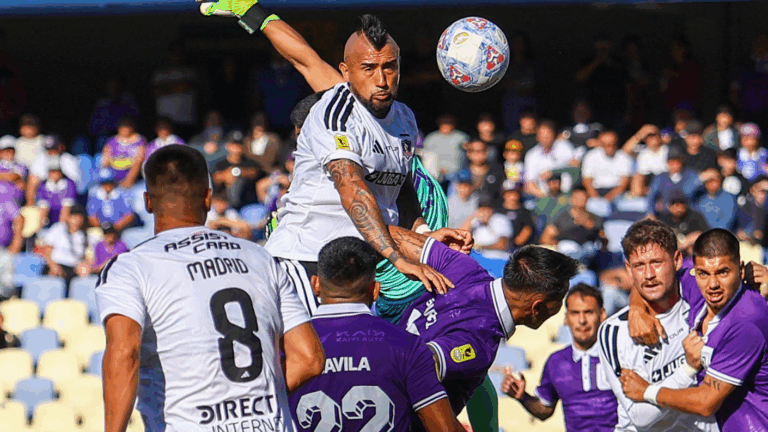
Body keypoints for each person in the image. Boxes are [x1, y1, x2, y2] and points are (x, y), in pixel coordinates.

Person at [95, 145, 325, 432]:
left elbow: (124, 352)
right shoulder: (260, 257)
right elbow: (310, 359)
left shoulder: (130, 266)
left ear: (148, 202)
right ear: (207, 198)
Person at [256, 14, 451, 314]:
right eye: (369, 68)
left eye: (390, 66)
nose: (382, 79)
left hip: (355, 267)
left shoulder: (404, 118)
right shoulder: (335, 114)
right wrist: (401, 259)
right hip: (303, 260)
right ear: (346, 72)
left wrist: (423, 235)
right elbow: (352, 190)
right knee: (305, 359)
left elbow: (401, 186)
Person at [394, 228, 579, 415]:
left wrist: (416, 245)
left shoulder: (464, 266)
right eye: (560, 299)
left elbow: (389, 234)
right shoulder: (480, 341)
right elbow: (416, 364)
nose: (559, 308)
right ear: (536, 307)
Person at [289, 237, 464, 432]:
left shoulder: (286, 348)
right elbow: (444, 429)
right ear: (375, 290)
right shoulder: (408, 345)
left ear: (315, 284)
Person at [619, 229, 768, 431]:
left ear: (740, 270)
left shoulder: (746, 321)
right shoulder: (698, 285)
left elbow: (706, 402)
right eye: (703, 273)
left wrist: (646, 391)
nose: (713, 284)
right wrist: (636, 308)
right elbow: (653, 278)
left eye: (723, 272)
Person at [597, 219, 719, 431]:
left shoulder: (701, 306)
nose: (649, 274)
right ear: (628, 268)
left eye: (656, 262)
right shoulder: (614, 331)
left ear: (677, 260)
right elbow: (640, 417)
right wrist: (688, 368)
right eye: (639, 266)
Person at [501, 284, 618, 431]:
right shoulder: (556, 362)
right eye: (575, 313)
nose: (582, 320)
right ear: (566, 318)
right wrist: (522, 396)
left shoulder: (620, 355)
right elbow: (545, 410)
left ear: (602, 315)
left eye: (588, 312)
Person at [540, 185, 604, 266]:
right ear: (571, 199)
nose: (581, 200)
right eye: (578, 198)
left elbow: (603, 240)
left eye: (583, 198)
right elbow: (545, 238)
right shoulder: (561, 218)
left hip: (589, 253)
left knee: (590, 248)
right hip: (568, 252)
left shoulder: (595, 218)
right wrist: (560, 243)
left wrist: (590, 226)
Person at [39, 204, 96, 288]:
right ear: (69, 217)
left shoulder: (86, 236)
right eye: (74, 217)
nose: (77, 220)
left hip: (74, 268)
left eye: (79, 217)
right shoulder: (58, 229)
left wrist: (85, 265)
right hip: (57, 264)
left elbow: (90, 256)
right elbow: (46, 251)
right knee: (52, 277)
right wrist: (53, 266)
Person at [211, 130, 262, 209]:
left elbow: (254, 173)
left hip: (248, 206)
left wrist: (236, 172)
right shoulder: (220, 164)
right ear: (228, 146)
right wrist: (226, 175)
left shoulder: (251, 163)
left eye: (239, 145)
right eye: (233, 144)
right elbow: (216, 178)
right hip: (224, 205)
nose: (236, 148)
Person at [524, 120, 575, 198]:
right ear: (537, 137)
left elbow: (575, 167)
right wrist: (547, 198)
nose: (546, 137)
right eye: (542, 134)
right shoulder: (531, 155)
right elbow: (529, 185)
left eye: (548, 133)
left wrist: (554, 172)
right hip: (543, 197)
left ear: (554, 134)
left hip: (567, 195)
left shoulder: (564, 147)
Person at [27, 134, 80, 205]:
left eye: (54, 149)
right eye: (49, 149)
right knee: (34, 180)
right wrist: (49, 177)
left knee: (69, 184)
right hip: (46, 193)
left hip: (64, 194)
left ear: (61, 147)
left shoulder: (68, 159)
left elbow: (75, 183)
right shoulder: (41, 158)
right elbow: (33, 180)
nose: (51, 152)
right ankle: (31, 206)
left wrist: (59, 176)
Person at [647, 146, 702, 214]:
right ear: (667, 163)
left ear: (681, 161)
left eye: (677, 162)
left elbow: (688, 192)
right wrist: (651, 213)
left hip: (688, 214)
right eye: (671, 162)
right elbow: (651, 196)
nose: (674, 165)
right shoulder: (660, 177)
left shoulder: (691, 174)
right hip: (666, 213)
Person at [581, 130, 633, 202]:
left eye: (612, 144)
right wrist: (596, 199)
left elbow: (624, 183)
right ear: (600, 144)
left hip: (617, 194)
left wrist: (607, 199)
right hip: (596, 192)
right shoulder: (590, 156)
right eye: (605, 144)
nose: (610, 147)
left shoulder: (624, 157)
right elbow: (587, 181)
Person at [460, 194, 512, 260]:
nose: (484, 212)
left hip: (498, 258)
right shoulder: (475, 221)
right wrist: (472, 217)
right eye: (481, 208)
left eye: (487, 208)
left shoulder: (500, 220)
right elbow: (461, 235)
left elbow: (503, 245)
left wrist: (481, 247)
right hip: (478, 257)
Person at [420, 114, 470, 182]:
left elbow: (470, 153)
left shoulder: (462, 137)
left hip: (457, 175)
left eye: (449, 122)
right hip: (434, 175)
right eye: (444, 122)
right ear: (439, 123)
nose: (446, 125)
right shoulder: (431, 138)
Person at [658, 191, 709, 256]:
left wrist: (689, 240)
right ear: (669, 206)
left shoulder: (695, 217)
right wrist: (682, 245)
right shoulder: (664, 220)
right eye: (673, 203)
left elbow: (705, 236)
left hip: (692, 256)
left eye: (681, 202)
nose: (678, 206)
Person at [100, 117, 146, 188]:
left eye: (127, 126)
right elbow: (105, 159)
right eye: (122, 126)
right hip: (113, 172)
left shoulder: (139, 141)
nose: (124, 129)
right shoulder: (112, 141)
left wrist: (128, 180)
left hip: (130, 173)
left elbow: (139, 160)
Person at [36, 158, 77, 227]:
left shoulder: (69, 184)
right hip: (49, 221)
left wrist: (60, 229)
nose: (54, 174)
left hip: (65, 222)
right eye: (51, 171)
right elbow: (43, 210)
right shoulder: (43, 185)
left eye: (56, 171)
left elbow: (66, 210)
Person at [498, 180, 535, 249]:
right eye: (509, 193)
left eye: (515, 193)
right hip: (498, 247)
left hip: (517, 248)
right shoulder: (497, 210)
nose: (512, 196)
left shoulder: (524, 212)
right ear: (503, 194)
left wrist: (512, 244)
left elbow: (527, 230)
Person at [0, 134, 27, 202]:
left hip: (14, 202)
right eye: (6, 150)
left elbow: (13, 176)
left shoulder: (20, 165)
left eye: (12, 150)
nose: (10, 152)